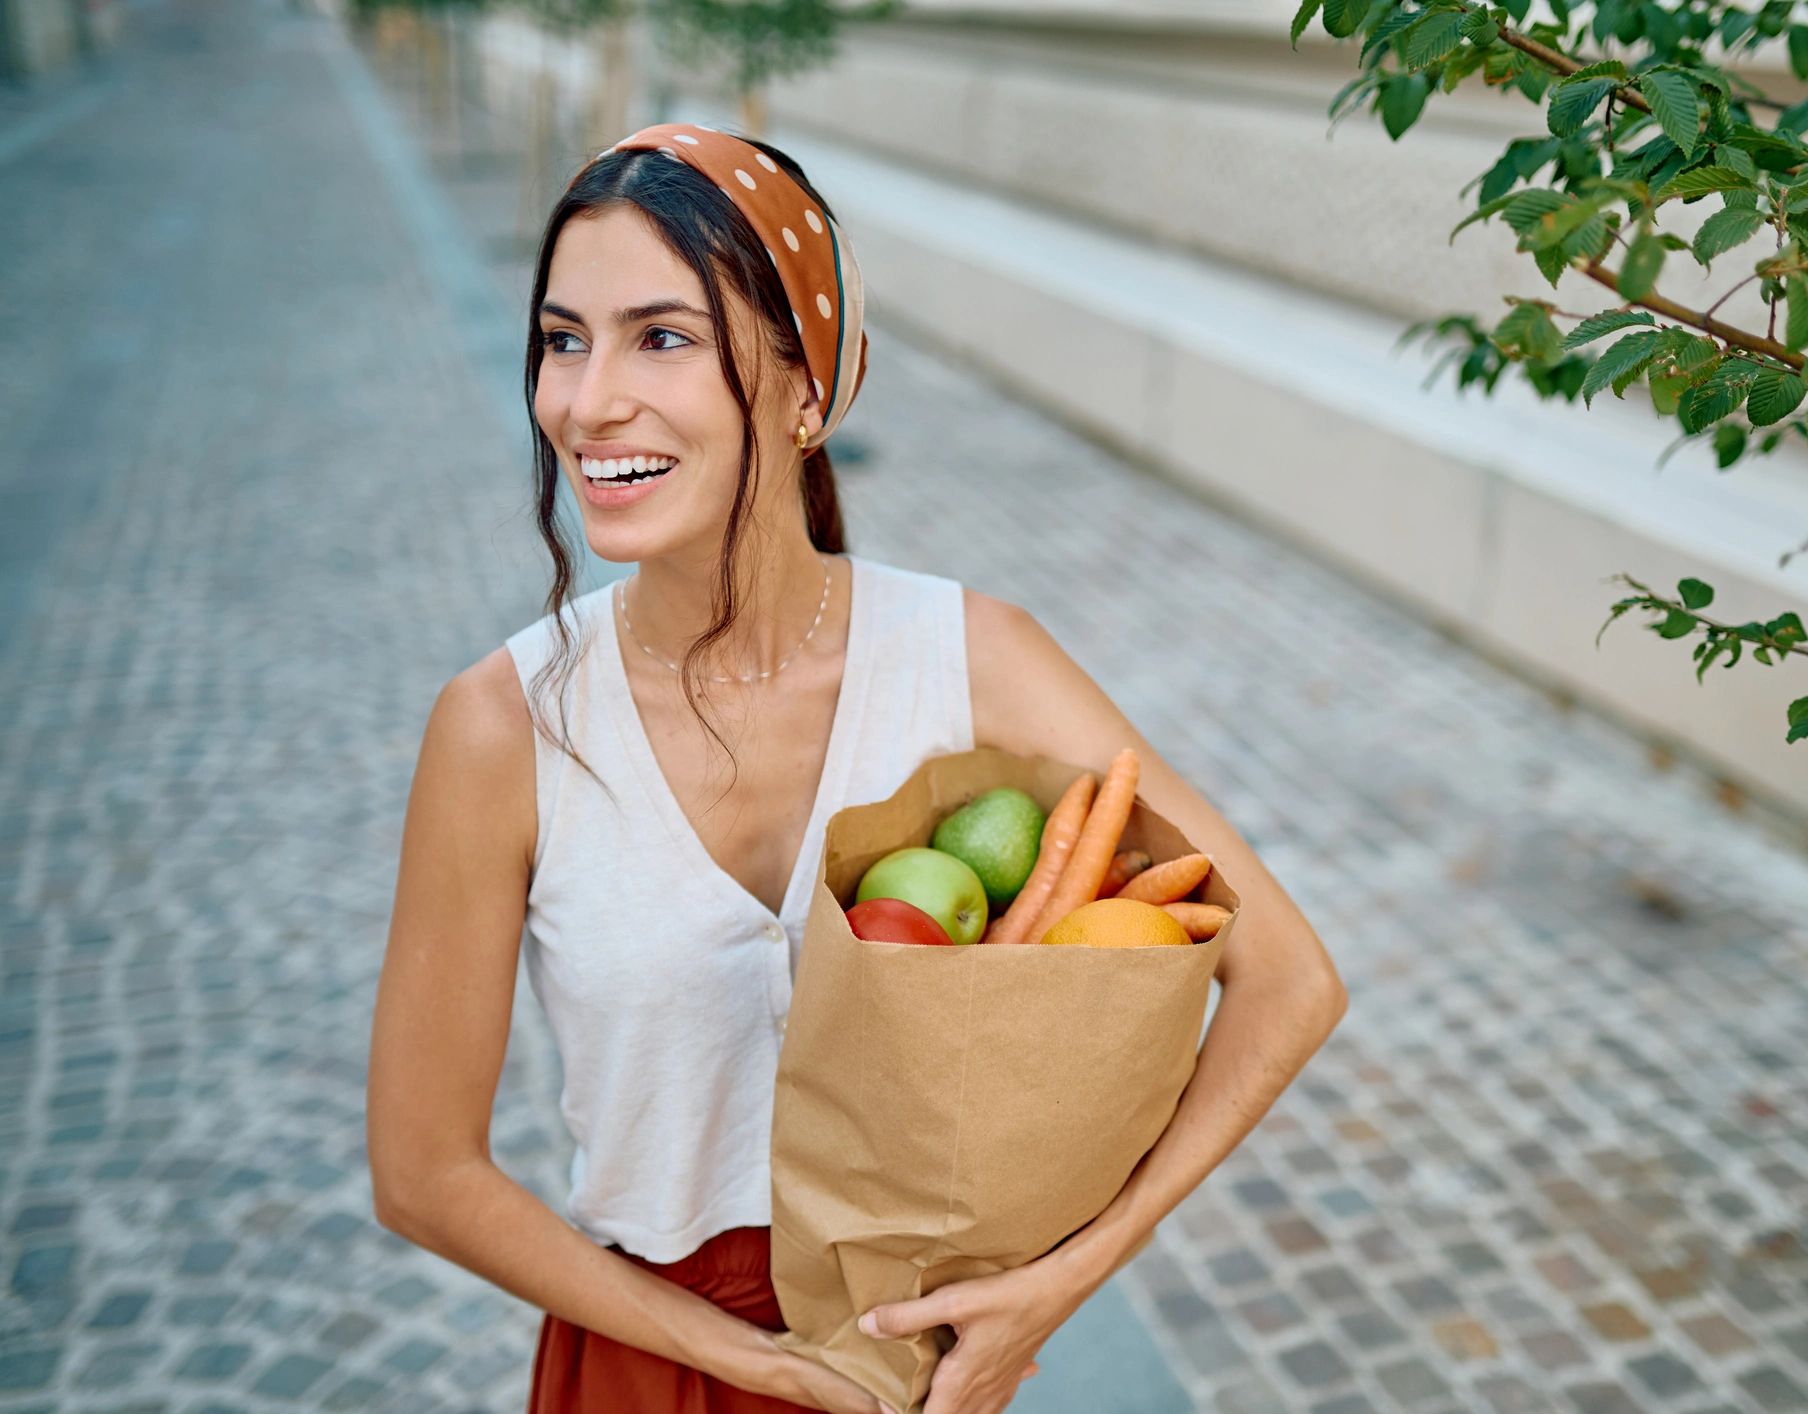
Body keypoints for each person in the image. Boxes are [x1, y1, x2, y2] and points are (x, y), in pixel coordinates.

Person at [365, 122, 1348, 1414]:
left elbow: (1286, 978)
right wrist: (751, 1361)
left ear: (809, 387)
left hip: (923, 1366)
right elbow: (423, 1169)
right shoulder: (503, 726)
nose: (587, 401)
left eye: (660, 336)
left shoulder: (973, 658)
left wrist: (1067, 1275)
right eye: (562, 338)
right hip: (653, 1367)